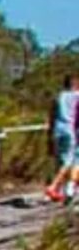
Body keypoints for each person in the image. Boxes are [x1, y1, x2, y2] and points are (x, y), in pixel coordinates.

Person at [46, 76, 79, 204]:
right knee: (71, 161)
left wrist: (49, 136)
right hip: (72, 130)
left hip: (58, 130)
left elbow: (51, 116)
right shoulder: (77, 96)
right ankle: (56, 187)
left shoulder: (58, 97)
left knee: (63, 159)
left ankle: (64, 190)